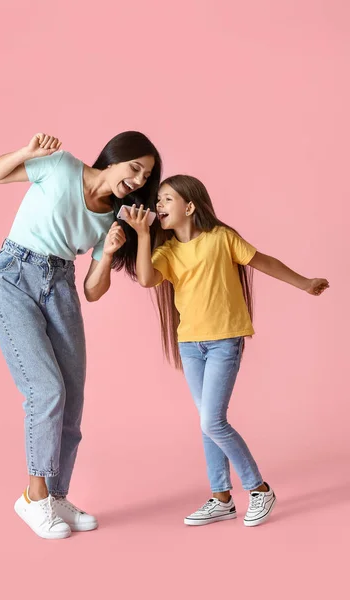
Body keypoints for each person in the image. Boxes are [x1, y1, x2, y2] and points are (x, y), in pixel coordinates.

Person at [0, 131, 162, 538]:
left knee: (73, 395)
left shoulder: (111, 219)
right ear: (115, 158)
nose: (136, 181)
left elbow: (93, 291)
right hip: (15, 275)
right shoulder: (61, 165)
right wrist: (27, 152)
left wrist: (112, 251)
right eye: (135, 168)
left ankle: (57, 495)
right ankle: (33, 497)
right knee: (46, 390)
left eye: (145, 177)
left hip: (61, 285)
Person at [124, 174, 329, 527]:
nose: (158, 206)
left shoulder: (222, 239)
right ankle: (221, 497)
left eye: (166, 199)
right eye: (157, 201)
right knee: (208, 424)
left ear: (189, 207)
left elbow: (264, 262)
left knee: (211, 421)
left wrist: (305, 283)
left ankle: (259, 488)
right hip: (190, 345)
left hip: (224, 341)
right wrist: (142, 235)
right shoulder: (167, 251)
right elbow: (145, 279)